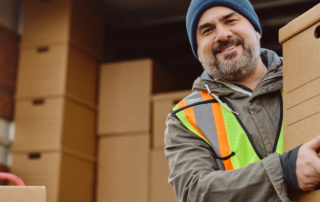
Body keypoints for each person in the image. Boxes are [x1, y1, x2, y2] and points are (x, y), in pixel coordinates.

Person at [164, 0, 320, 201]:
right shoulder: (186, 117)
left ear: (256, 30)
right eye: (207, 30)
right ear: (197, 50)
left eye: (230, 21)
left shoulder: (310, 76)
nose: (222, 35)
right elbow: (194, 192)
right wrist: (283, 172)